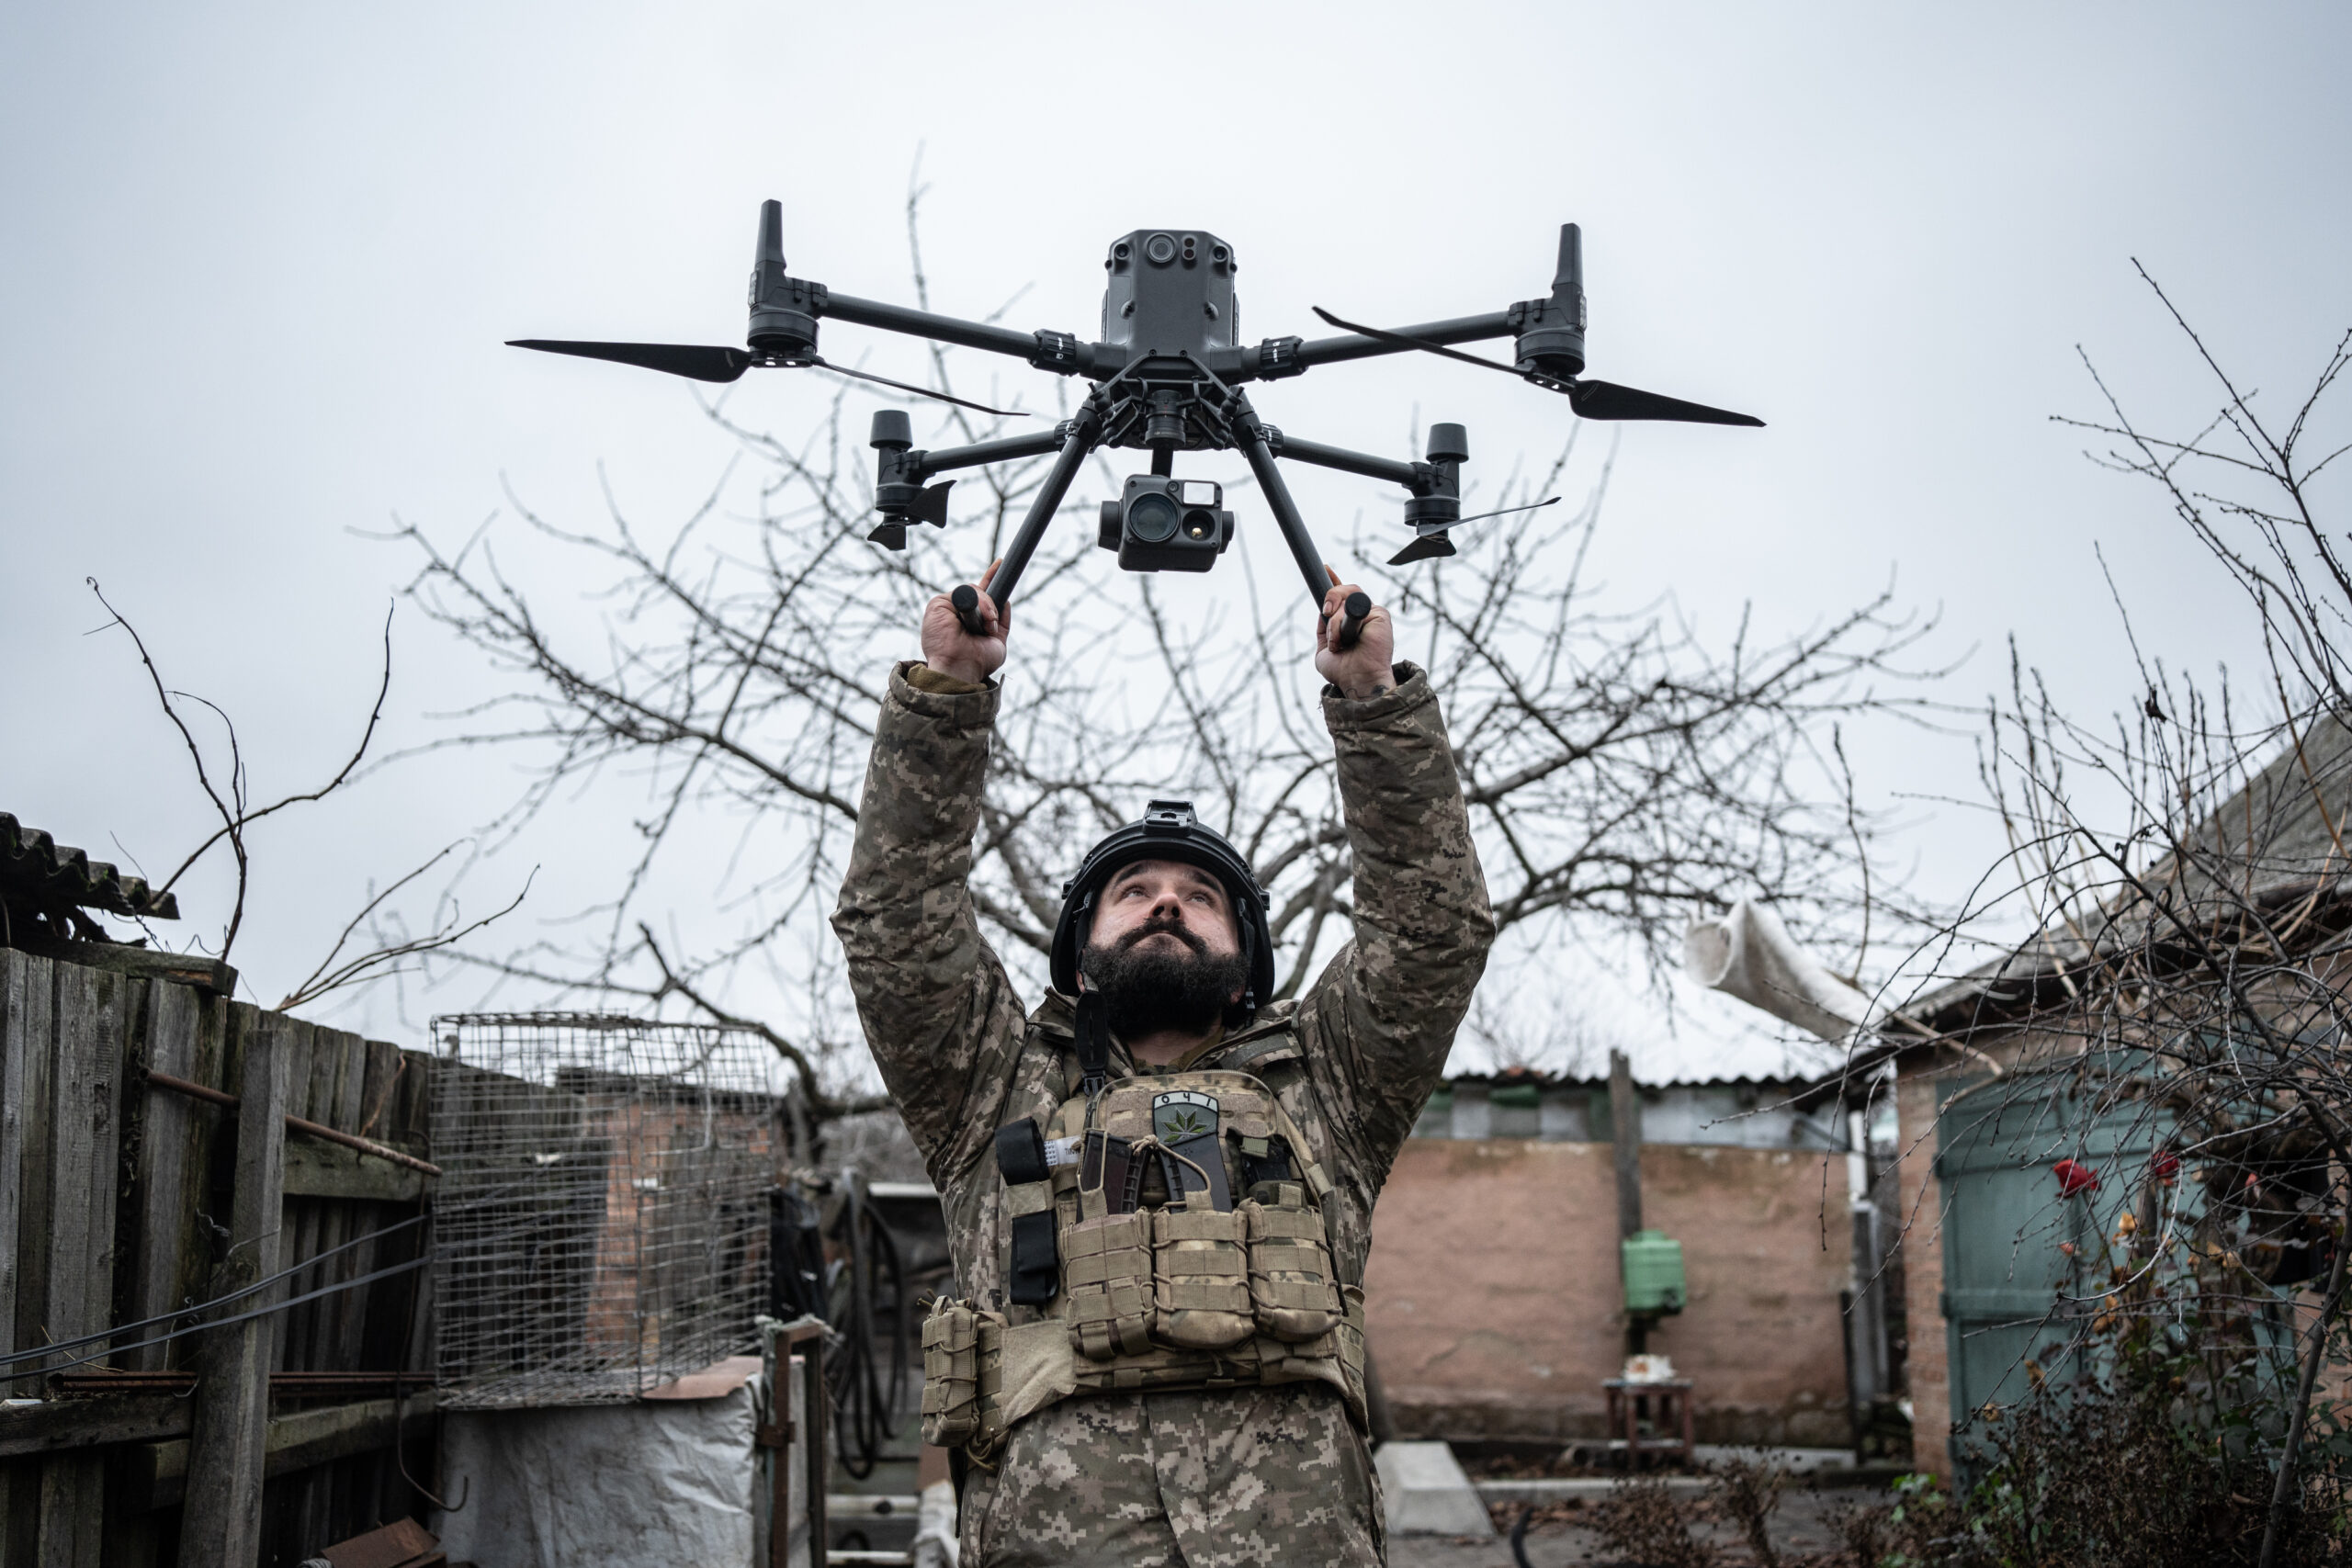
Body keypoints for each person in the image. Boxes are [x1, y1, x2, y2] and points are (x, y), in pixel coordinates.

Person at [831, 563, 1493, 1566]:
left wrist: (1373, 703)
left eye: (1200, 895)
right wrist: (948, 695)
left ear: (1243, 977)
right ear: (1083, 962)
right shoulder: (991, 1091)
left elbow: (1433, 930)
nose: (1167, 902)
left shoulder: (1330, 1091)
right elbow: (894, 923)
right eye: (1133, 889)